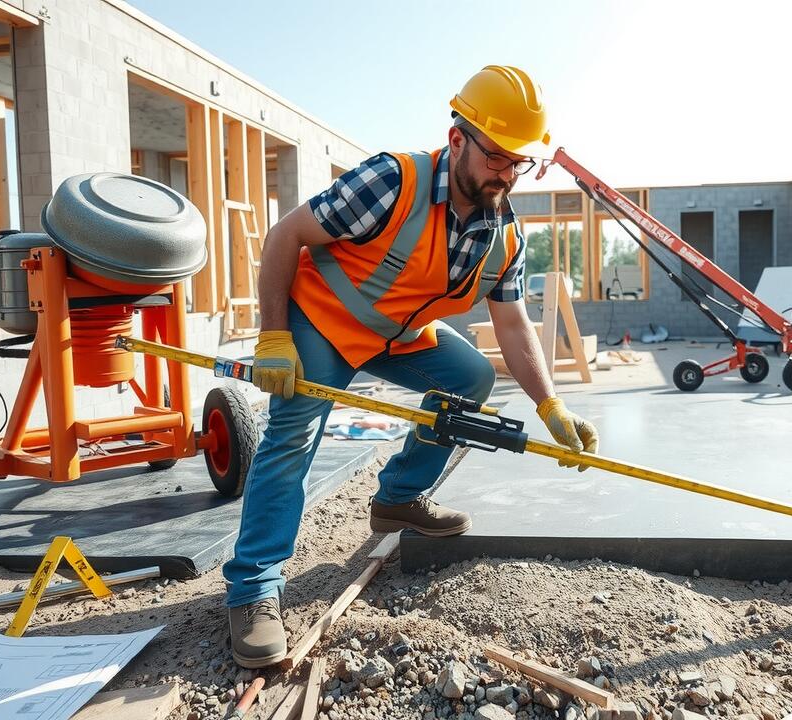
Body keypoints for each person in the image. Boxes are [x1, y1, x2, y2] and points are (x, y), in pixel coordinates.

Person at [222, 65, 600, 668]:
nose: (507, 174)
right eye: (498, 158)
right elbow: (284, 235)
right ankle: (253, 589)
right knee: (294, 436)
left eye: (518, 162)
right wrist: (274, 336)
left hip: (397, 335)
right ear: (458, 141)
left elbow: (512, 321)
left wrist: (549, 404)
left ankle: (399, 496)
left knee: (471, 377)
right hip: (322, 321)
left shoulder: (505, 234)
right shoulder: (391, 181)